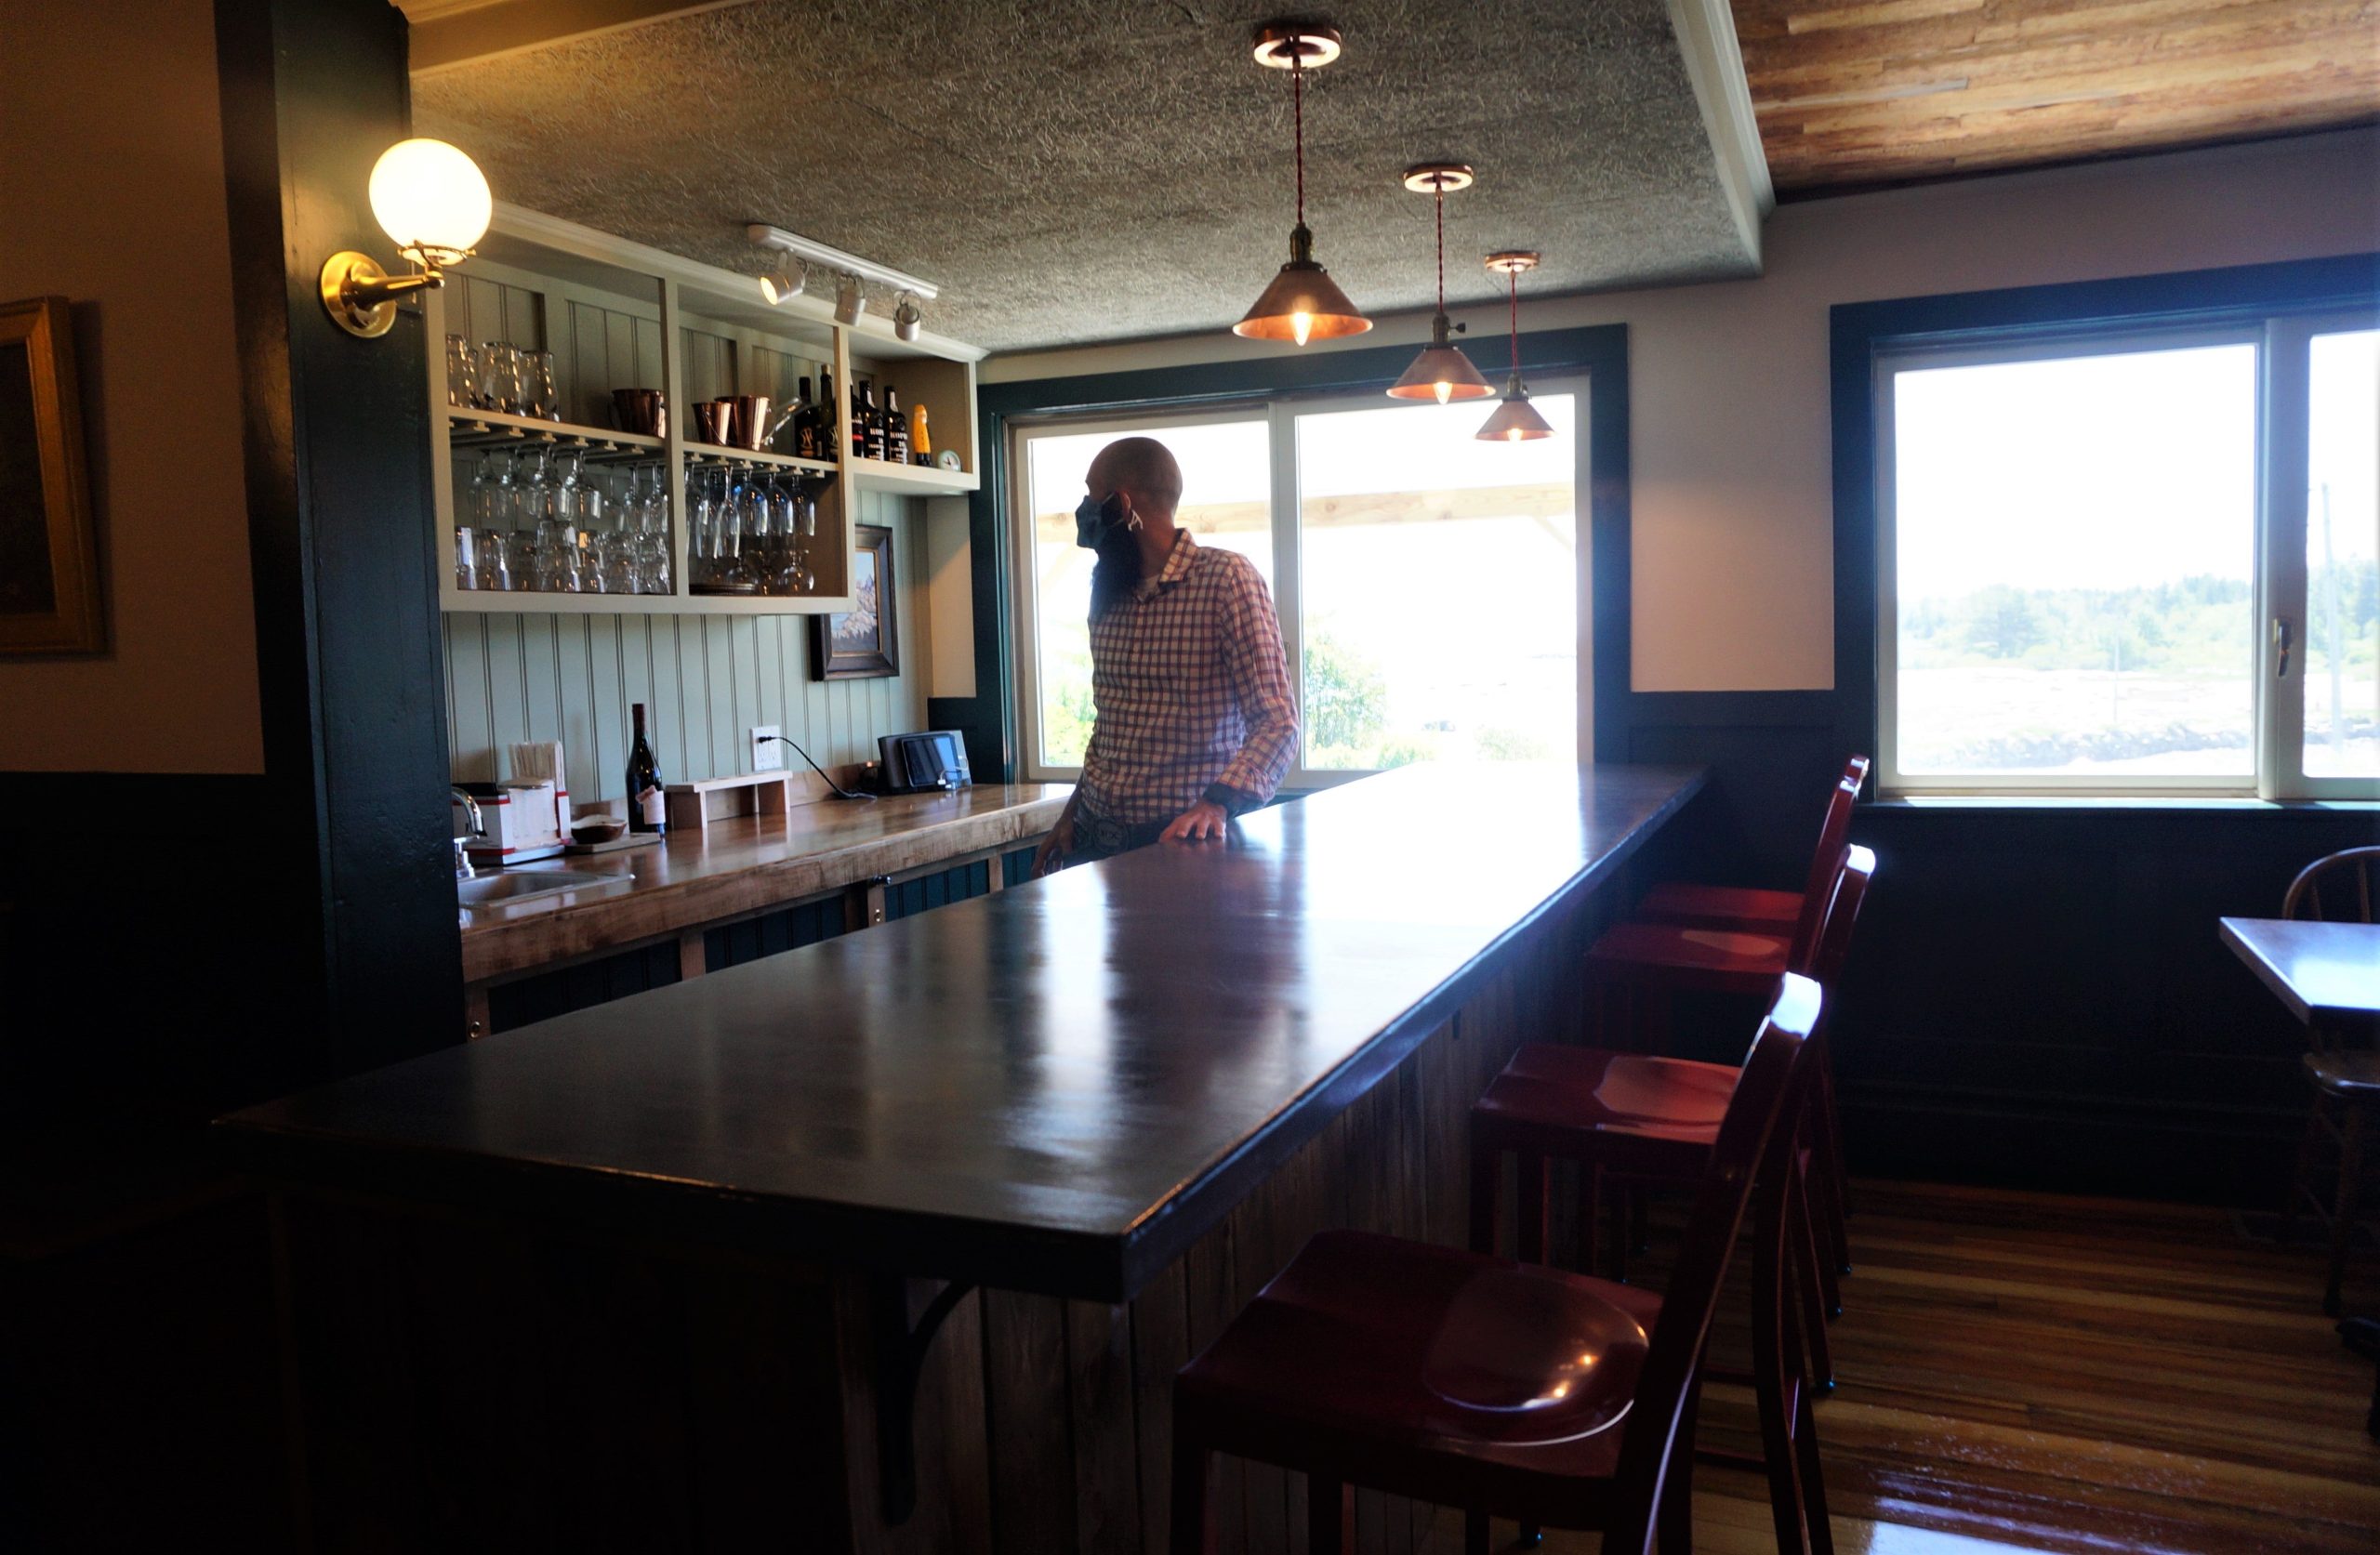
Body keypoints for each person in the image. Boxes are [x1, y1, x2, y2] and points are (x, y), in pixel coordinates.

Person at [1033, 436, 1297, 873]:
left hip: (1184, 843)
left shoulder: (1226, 579)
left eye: (1091, 496)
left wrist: (1217, 805)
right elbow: (1112, 724)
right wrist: (1069, 816)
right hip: (1095, 840)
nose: (1084, 510)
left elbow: (1278, 722)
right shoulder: (1109, 591)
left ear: (1120, 504)